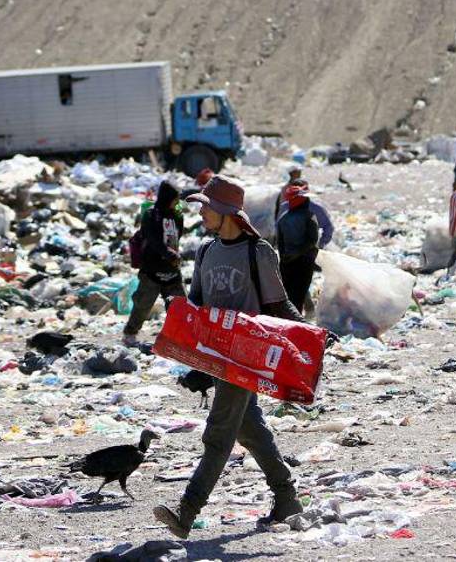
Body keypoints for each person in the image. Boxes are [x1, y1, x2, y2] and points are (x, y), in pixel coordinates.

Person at [154, 175, 305, 538]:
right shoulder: (206, 251)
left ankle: (186, 511)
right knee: (249, 430)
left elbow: (278, 304)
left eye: (206, 207)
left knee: (218, 435)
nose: (201, 213)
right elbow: (199, 306)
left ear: (225, 212)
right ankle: (287, 498)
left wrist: (309, 335)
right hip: (217, 357)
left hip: (246, 358)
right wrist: (191, 358)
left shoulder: (258, 253)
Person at [122, 181, 186, 346]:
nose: (177, 202)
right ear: (167, 198)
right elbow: (152, 240)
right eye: (174, 199)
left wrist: (173, 255)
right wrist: (168, 253)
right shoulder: (151, 215)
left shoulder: (177, 216)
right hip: (152, 270)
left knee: (179, 306)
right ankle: (130, 333)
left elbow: (178, 237)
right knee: (143, 305)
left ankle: (180, 338)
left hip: (172, 270)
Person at [275, 184, 321, 312]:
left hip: (286, 265)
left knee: (289, 299)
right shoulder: (309, 216)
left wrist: (286, 259)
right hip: (304, 264)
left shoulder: (283, 219)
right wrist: (298, 254)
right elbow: (312, 240)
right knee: (299, 298)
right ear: (303, 201)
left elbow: (280, 245)